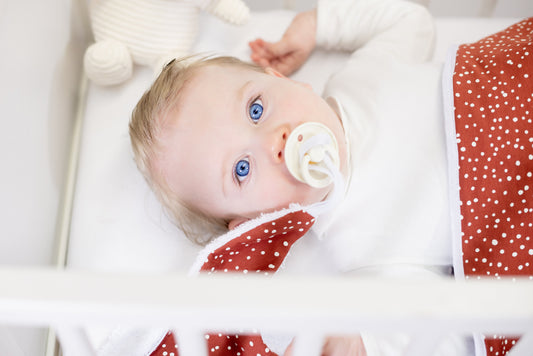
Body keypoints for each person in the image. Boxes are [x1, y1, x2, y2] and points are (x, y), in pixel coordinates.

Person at [130, 0, 533, 354]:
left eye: (256, 109)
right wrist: (357, 344)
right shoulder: (361, 249)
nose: (275, 141)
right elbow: (453, 334)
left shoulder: (362, 77)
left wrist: (317, 23)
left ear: (282, 80)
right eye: (242, 169)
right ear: (256, 222)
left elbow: (409, 21)